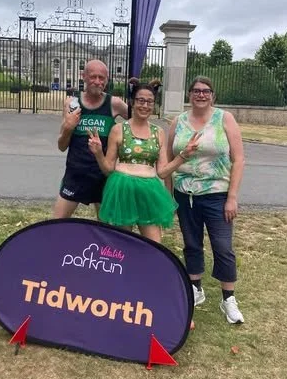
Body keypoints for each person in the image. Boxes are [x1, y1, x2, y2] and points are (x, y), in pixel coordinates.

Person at [167, 76, 246, 324]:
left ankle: (228, 298)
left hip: (217, 194)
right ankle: (196, 289)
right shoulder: (177, 122)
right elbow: (169, 160)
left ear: (213, 95)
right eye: (196, 91)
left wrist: (232, 197)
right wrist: (169, 194)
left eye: (206, 91)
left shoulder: (224, 119)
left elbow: (239, 159)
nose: (201, 95)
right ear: (189, 94)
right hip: (185, 193)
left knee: (223, 247)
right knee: (191, 244)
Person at [87, 80, 199, 243]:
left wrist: (184, 155)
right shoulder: (118, 129)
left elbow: (162, 171)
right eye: (140, 100)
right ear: (132, 101)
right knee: (121, 244)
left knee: (154, 245)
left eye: (149, 102)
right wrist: (98, 153)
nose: (145, 105)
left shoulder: (158, 132)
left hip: (149, 191)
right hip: (122, 189)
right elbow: (108, 169)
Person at [53, 59, 128, 218]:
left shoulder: (114, 104)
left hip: (103, 177)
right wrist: (68, 127)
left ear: (107, 80)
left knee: (107, 231)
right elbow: (61, 146)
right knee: (57, 226)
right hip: (75, 175)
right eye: (93, 77)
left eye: (102, 78)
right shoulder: (72, 104)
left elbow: (137, 122)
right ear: (84, 77)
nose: (98, 82)